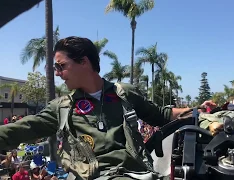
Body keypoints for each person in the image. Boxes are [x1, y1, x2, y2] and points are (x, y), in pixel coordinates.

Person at [0, 36, 215, 180]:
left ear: (84, 62)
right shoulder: (63, 107)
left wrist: (197, 110)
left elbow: (161, 115)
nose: (57, 73)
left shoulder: (124, 93)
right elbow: (24, 128)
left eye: (61, 66)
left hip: (134, 174)